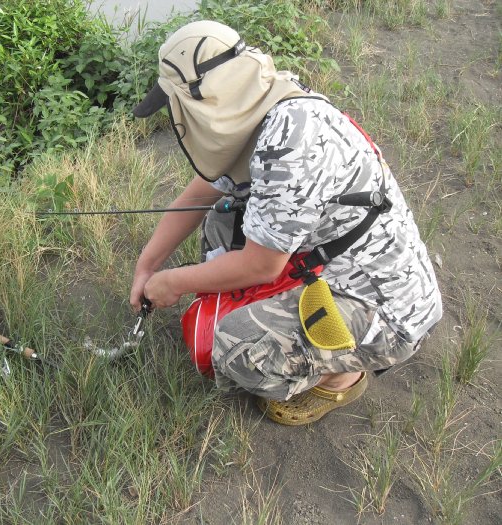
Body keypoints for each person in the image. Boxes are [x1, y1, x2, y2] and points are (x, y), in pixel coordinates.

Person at [129, 21, 442, 425]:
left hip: (384, 310)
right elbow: (201, 193)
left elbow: (262, 265)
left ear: (203, 98)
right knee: (220, 224)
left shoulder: (289, 139)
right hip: (325, 258)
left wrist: (171, 283)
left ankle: (340, 376)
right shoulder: (259, 105)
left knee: (236, 347)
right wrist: (147, 266)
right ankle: (277, 310)